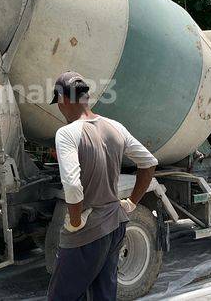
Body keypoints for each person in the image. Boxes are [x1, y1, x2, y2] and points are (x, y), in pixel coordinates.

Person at [47, 71, 158, 301]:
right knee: (103, 294)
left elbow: (72, 185)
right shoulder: (115, 127)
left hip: (87, 232)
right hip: (115, 225)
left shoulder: (67, 133)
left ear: (62, 100)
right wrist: (131, 203)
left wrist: (76, 222)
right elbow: (148, 162)